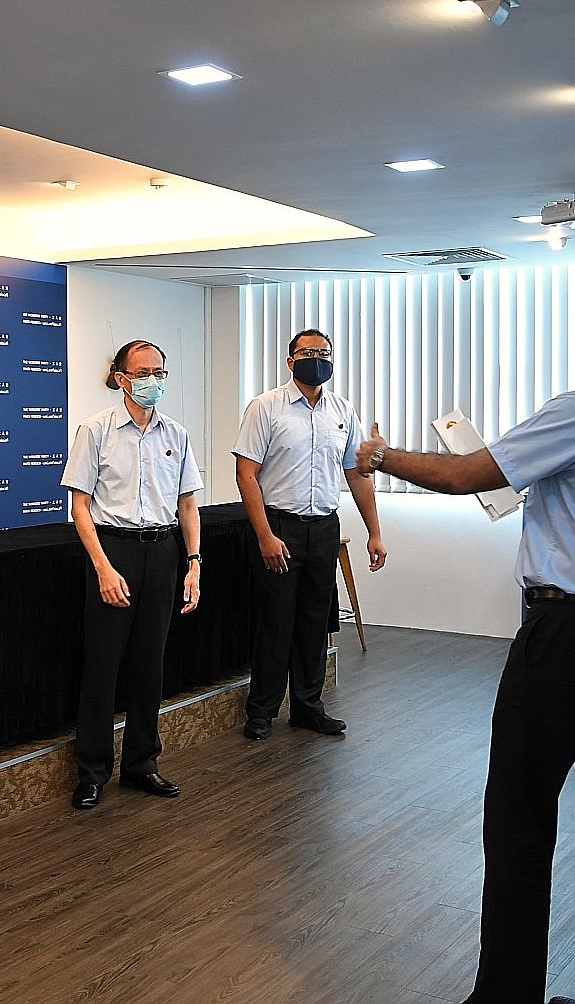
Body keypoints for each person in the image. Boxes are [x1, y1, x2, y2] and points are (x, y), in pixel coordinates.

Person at [354, 269, 575, 1004]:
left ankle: (506, 997)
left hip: (565, 634)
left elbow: (463, 473)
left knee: (519, 818)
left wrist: (379, 455)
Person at [61, 339, 204, 810]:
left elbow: (187, 504)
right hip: (113, 550)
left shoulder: (175, 434)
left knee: (150, 664)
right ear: (121, 377)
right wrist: (102, 566)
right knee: (102, 667)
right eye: (144, 373)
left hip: (162, 552)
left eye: (160, 372)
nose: (153, 381)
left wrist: (193, 565)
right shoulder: (96, 430)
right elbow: (79, 506)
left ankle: (143, 764)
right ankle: (92, 772)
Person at [232, 329, 386, 741]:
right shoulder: (266, 407)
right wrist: (264, 534)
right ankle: (262, 710)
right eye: (308, 352)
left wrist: (375, 532)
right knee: (275, 623)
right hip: (278, 526)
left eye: (324, 352)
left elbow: (357, 474)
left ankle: (308, 707)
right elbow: (246, 475)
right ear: (290, 361)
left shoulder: (341, 409)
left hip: (323, 528)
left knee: (317, 622)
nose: (317, 358)